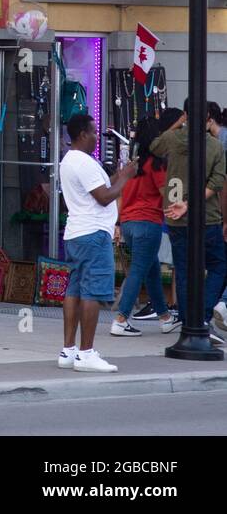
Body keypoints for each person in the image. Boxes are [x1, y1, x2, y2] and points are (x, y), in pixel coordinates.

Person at [58, 113, 134, 372]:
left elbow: (99, 189)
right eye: (92, 132)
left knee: (75, 289)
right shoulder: (84, 163)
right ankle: (86, 353)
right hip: (93, 234)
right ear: (82, 135)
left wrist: (120, 175)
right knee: (91, 291)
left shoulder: (70, 160)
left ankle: (68, 350)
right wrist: (126, 177)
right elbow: (104, 197)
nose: (95, 138)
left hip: (77, 233)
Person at [153, 103, 227, 342]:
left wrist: (178, 122)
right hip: (207, 217)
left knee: (184, 270)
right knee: (218, 265)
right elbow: (217, 182)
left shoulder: (173, 139)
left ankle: (188, 321)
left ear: (186, 114)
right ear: (207, 117)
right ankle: (203, 315)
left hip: (176, 219)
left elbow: (154, 146)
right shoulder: (214, 145)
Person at [111, 112, 179, 337]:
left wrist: (119, 224)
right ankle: (121, 319)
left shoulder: (133, 165)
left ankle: (165, 317)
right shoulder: (156, 164)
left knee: (151, 271)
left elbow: (120, 195)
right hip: (148, 223)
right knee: (139, 271)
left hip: (129, 223)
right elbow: (165, 194)